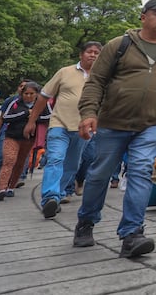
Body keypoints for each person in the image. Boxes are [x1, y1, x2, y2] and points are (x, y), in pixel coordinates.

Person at [73, 0, 156, 257]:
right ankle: (86, 222)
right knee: (99, 174)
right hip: (112, 123)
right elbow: (96, 81)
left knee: (142, 172)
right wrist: (89, 112)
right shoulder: (119, 45)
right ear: (143, 17)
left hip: (150, 126)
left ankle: (132, 233)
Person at [26, 42, 102, 218]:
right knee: (55, 159)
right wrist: (32, 121)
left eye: (97, 53)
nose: (93, 55)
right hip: (59, 124)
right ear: (81, 55)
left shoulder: (102, 77)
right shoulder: (64, 72)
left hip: (84, 129)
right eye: (89, 52)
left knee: (72, 165)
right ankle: (49, 198)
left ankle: (57, 196)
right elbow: (44, 97)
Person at [0, 81, 41, 201]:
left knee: (20, 163)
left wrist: (34, 116)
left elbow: (47, 117)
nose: (28, 96)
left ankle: (11, 187)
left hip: (29, 139)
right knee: (9, 160)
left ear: (36, 94)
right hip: (12, 136)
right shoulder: (14, 103)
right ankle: (2, 188)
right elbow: (5, 118)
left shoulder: (41, 104)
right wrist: (24, 114)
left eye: (31, 94)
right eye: (26, 93)